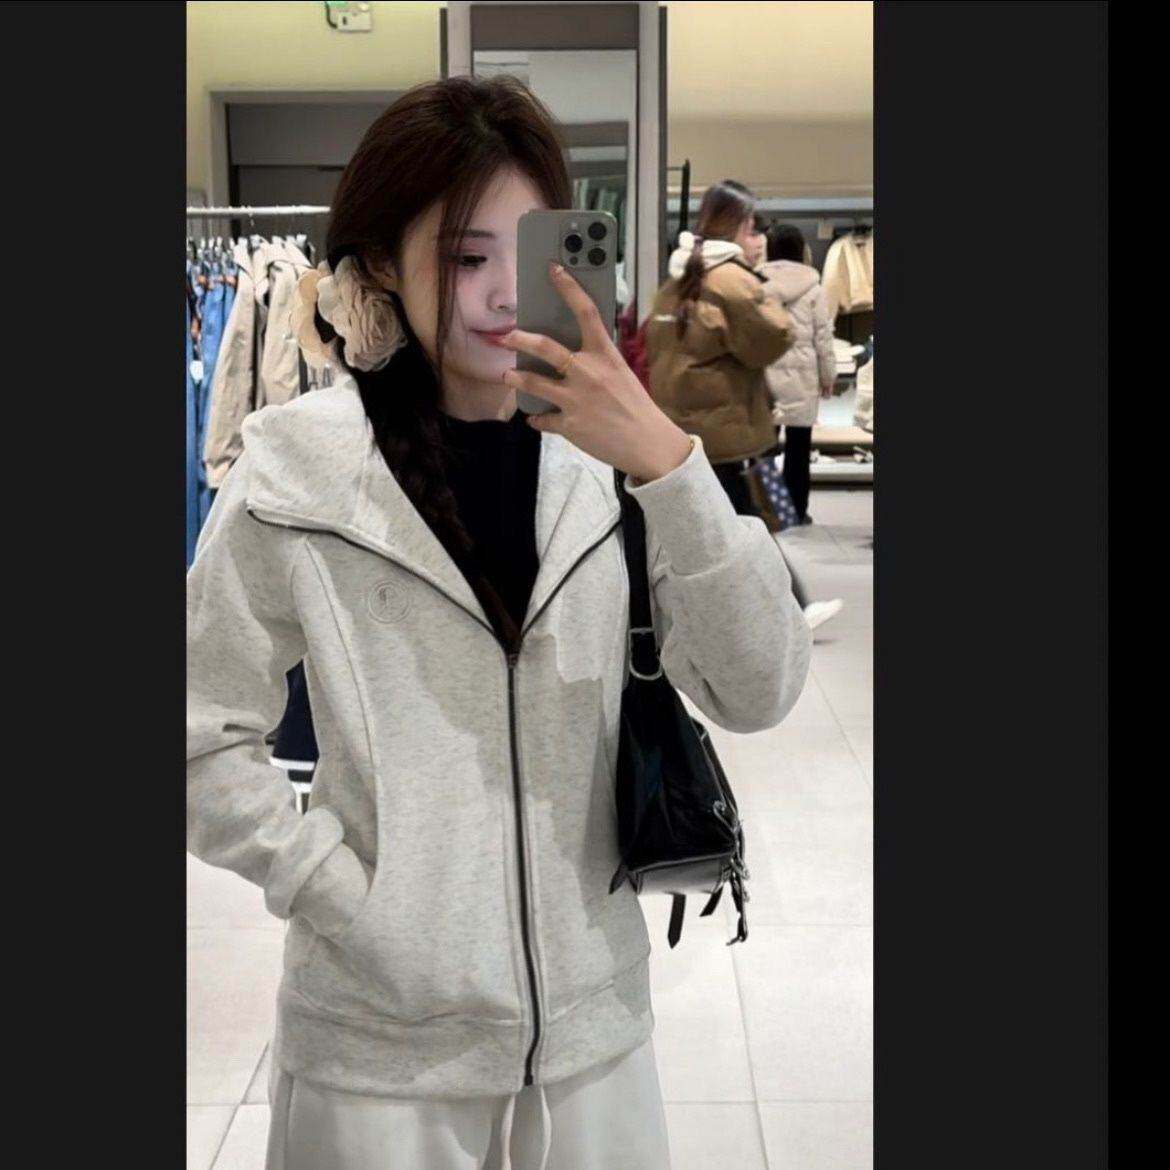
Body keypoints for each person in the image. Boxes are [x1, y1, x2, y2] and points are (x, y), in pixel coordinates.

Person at [187, 76, 812, 1170]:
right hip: (378, 1054)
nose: (501, 293)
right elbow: (197, 731)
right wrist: (338, 893)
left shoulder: (615, 464)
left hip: (593, 1040)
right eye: (464, 256)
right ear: (385, 263)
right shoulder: (298, 470)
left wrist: (665, 459)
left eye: (528, 251)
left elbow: (760, 689)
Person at [646, 183, 842, 634]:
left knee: (729, 522)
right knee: (753, 520)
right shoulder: (732, 279)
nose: (758, 241)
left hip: (689, 422)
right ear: (734, 227)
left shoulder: (679, 275)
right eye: (752, 229)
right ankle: (792, 608)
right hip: (730, 429)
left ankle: (781, 606)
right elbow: (776, 336)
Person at [757, 223, 836, 526]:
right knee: (799, 448)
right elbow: (823, 339)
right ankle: (796, 512)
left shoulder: (756, 283)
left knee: (763, 449)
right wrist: (827, 377)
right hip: (802, 379)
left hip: (764, 377)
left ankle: (770, 508)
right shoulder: (814, 289)